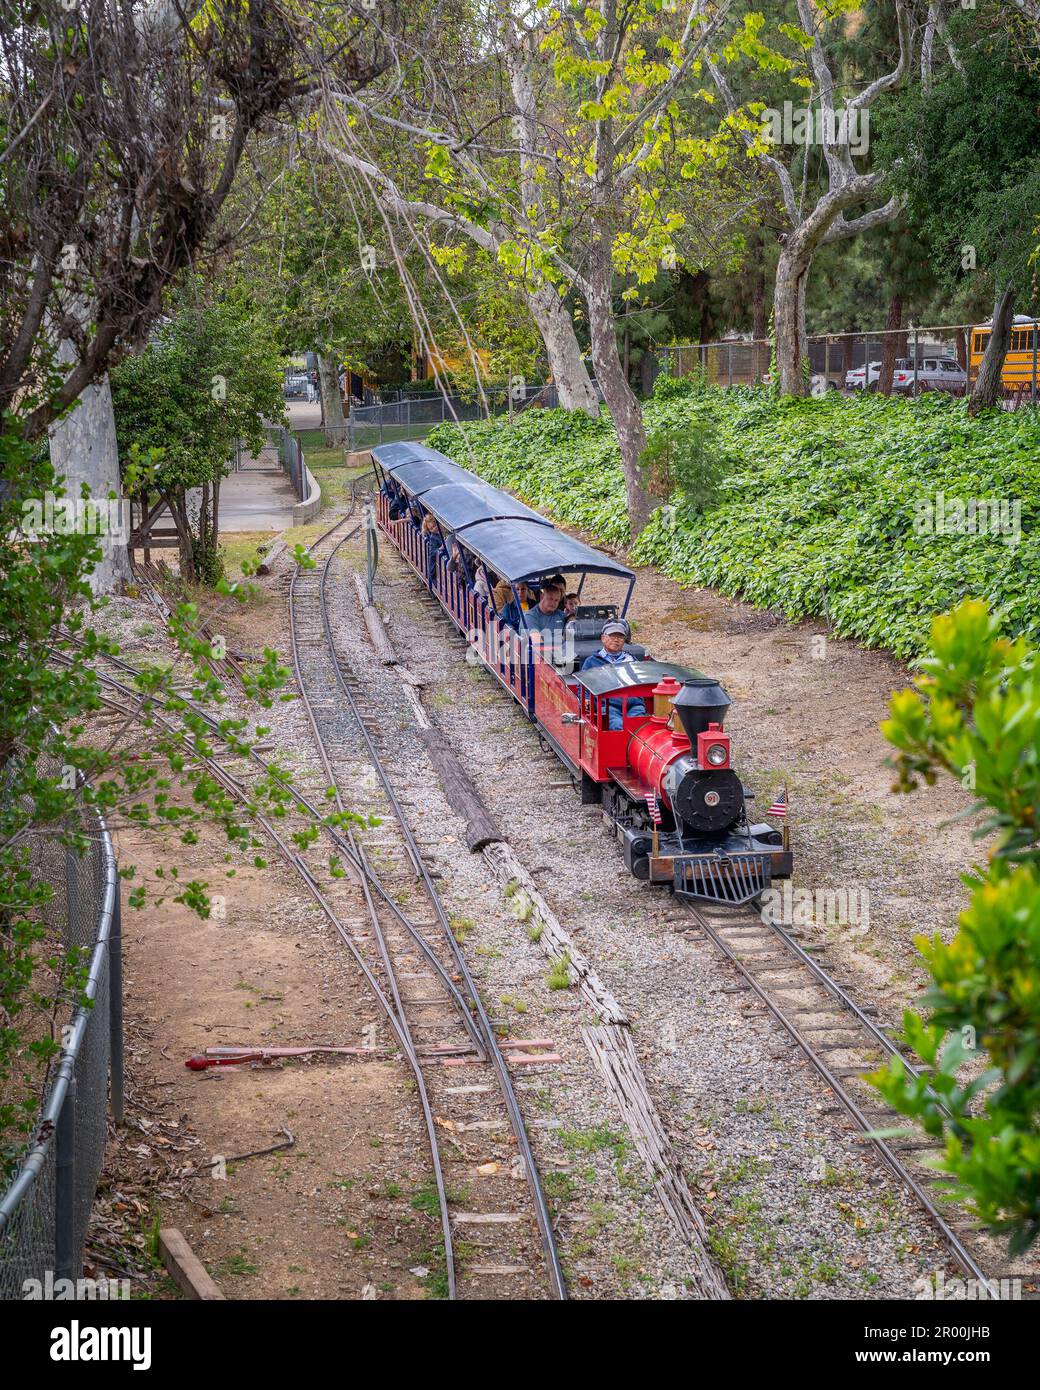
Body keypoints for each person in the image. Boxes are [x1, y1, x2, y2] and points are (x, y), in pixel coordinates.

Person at [580, 620, 647, 730]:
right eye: (612, 636)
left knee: (639, 727)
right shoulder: (592, 661)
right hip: (608, 706)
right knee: (617, 726)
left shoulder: (632, 660)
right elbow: (582, 686)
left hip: (634, 704)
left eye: (620, 637)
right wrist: (586, 699)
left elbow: (641, 682)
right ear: (603, 638)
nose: (616, 640)